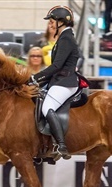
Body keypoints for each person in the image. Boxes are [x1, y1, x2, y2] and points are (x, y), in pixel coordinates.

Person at [29, 5, 79, 160]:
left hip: (66, 82)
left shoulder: (66, 38)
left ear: (62, 22)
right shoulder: (63, 37)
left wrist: (35, 77)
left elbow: (56, 66)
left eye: (52, 21)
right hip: (59, 81)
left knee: (47, 107)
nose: (50, 25)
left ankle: (61, 145)